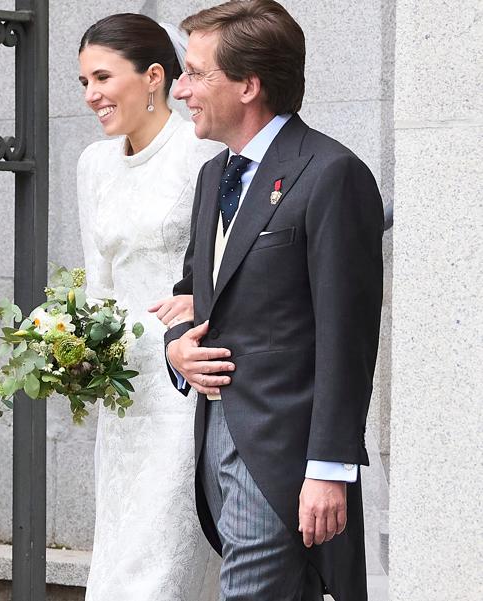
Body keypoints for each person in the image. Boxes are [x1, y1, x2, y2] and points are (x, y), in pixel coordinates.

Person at [163, 1, 384, 599]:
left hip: (284, 461)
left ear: (248, 85)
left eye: (195, 73)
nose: (180, 90)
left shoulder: (332, 173)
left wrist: (329, 471)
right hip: (215, 443)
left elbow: (349, 335)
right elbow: (192, 294)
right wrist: (176, 352)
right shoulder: (215, 176)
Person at [76, 13, 224, 601]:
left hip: (183, 386)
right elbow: (99, 284)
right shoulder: (93, 164)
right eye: (84, 82)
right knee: (118, 550)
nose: (92, 96)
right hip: (124, 394)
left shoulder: (198, 151)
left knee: (165, 564)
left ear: (155, 77)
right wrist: (76, 347)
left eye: (103, 78)